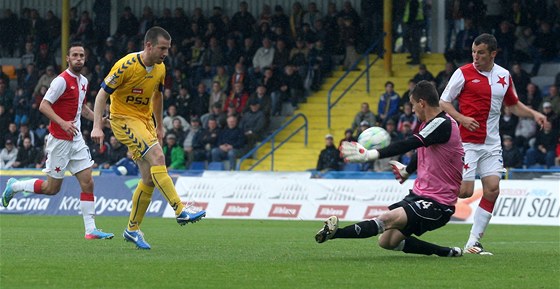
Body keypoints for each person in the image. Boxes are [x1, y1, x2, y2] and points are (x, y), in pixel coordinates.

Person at [317, 81, 463, 258]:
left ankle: (334, 233)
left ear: (422, 103)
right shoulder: (429, 126)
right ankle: (444, 252)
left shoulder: (443, 123)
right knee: (387, 241)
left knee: (386, 219)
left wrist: (371, 154)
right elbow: (421, 150)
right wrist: (407, 171)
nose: (412, 109)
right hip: (419, 195)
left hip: (438, 203)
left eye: (413, 105)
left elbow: (410, 143)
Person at [91, 27, 206, 250]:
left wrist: (160, 126)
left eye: (168, 49)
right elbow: (102, 94)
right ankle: (180, 210)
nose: (166, 53)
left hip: (146, 123)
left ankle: (132, 229)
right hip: (122, 119)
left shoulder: (161, 69)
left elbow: (158, 96)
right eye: (162, 48)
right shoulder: (125, 65)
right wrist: (97, 126)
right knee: (158, 156)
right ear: (149, 46)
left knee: (148, 178)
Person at [440, 33, 547, 254]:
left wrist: (534, 114)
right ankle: (430, 188)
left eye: (480, 53)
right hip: (467, 142)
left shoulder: (504, 76)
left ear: (493, 54)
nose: (475, 57)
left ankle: (473, 242)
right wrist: (461, 118)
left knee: (492, 189)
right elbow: (444, 101)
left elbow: (513, 105)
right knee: (465, 192)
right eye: (473, 52)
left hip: (491, 144)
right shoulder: (463, 73)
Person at [2, 43, 114, 240]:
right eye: (75, 56)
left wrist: (98, 120)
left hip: (76, 139)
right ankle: (15, 186)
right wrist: (62, 123)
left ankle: (90, 230)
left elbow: (82, 108)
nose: (79, 58)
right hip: (59, 140)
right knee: (52, 189)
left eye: (82, 55)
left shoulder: (84, 81)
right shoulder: (60, 81)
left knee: (88, 182)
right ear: (68, 59)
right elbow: (43, 105)